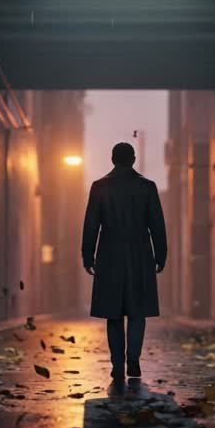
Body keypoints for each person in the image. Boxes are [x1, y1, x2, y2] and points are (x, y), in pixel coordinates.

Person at [81, 142, 167, 383]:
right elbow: (157, 225)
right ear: (133, 159)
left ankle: (117, 365)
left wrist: (88, 255)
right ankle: (133, 359)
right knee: (137, 311)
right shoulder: (147, 187)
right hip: (140, 254)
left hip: (109, 255)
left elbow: (91, 226)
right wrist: (160, 255)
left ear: (112, 159)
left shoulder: (100, 187)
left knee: (114, 313)